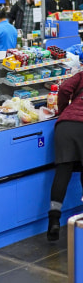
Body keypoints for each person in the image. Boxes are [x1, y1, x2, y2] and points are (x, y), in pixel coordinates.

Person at [47, 72, 83, 241]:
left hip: (66, 125)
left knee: (63, 172)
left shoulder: (82, 75)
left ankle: (54, 220)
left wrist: (63, 110)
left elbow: (65, 88)